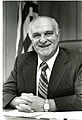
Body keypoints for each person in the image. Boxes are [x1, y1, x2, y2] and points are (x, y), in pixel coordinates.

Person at [3, 16, 82, 112]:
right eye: (36, 35)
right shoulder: (22, 60)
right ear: (30, 38)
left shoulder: (77, 60)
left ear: (58, 35)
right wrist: (18, 102)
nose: (43, 40)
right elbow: (5, 93)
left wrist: (46, 105)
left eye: (48, 34)